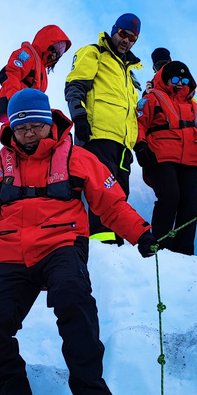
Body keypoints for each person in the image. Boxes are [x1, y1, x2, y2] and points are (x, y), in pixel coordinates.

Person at [0, 89, 156, 395]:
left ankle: (92, 390)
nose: (29, 133)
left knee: (74, 299)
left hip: (62, 245)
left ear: (49, 122)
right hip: (13, 257)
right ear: (11, 130)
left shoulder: (77, 158)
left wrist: (141, 233)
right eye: (21, 127)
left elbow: (111, 203)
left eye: (35, 125)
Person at [134, 60, 197, 255]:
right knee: (170, 196)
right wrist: (140, 146)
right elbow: (139, 123)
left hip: (189, 160)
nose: (180, 83)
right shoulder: (152, 99)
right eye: (174, 79)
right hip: (160, 156)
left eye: (184, 79)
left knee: (191, 204)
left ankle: (183, 251)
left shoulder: (196, 109)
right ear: (165, 80)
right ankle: (160, 245)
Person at [64, 13, 143, 244]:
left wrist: (136, 144)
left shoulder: (129, 72)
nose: (126, 40)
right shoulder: (94, 53)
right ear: (114, 30)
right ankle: (101, 246)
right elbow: (75, 85)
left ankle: (116, 244)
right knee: (101, 193)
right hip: (98, 137)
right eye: (123, 34)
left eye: (132, 38)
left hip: (123, 145)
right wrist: (79, 117)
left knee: (119, 196)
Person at [0, 24, 71, 123]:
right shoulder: (27, 54)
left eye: (58, 54)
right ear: (45, 43)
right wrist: (15, 100)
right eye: (53, 49)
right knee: (7, 134)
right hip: (10, 106)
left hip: (26, 111)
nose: (54, 55)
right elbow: (11, 74)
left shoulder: (42, 70)